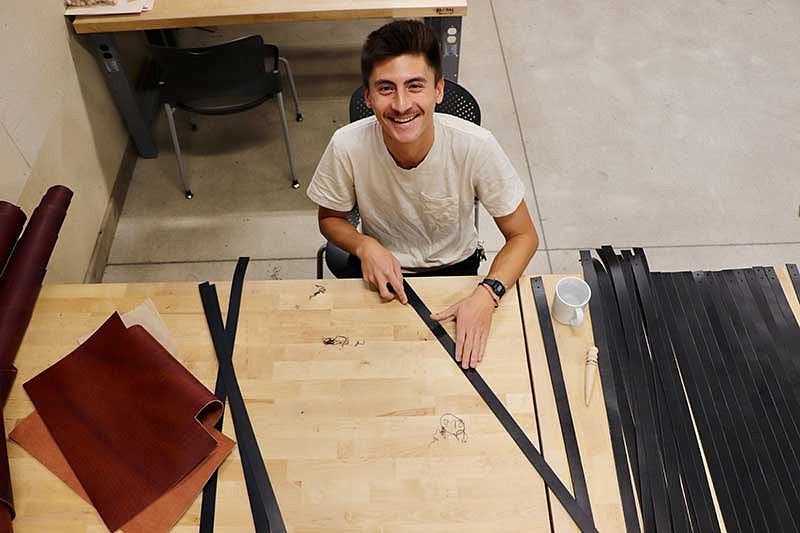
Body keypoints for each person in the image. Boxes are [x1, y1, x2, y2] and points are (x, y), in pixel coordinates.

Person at [307, 20, 539, 369]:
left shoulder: (476, 146)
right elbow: (330, 219)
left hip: (455, 271)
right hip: (380, 274)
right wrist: (364, 245)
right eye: (386, 89)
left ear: (438, 91)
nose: (401, 105)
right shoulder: (346, 145)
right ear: (368, 96)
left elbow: (523, 236)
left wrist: (488, 293)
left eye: (415, 86)